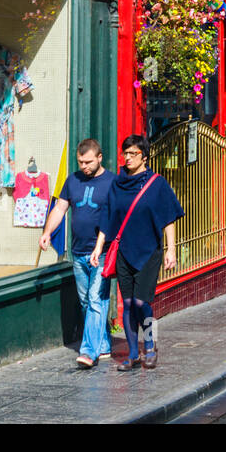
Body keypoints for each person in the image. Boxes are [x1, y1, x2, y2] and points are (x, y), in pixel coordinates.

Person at [89, 135, 184, 371]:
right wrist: (99, 246)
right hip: (123, 250)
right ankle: (132, 353)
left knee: (142, 302)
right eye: (126, 153)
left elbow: (168, 217)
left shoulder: (156, 183)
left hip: (149, 250)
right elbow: (107, 217)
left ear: (144, 156)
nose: (128, 158)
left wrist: (171, 250)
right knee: (129, 303)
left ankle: (150, 345)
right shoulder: (117, 184)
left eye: (133, 154)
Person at [40, 138, 115, 368]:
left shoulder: (113, 182)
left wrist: (104, 244)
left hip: (101, 252)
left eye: (89, 162)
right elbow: (60, 208)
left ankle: (88, 351)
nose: (84, 166)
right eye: (81, 162)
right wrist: (47, 233)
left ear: (99, 157)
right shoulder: (72, 180)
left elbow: (116, 216)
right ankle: (103, 344)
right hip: (78, 252)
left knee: (95, 300)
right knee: (86, 302)